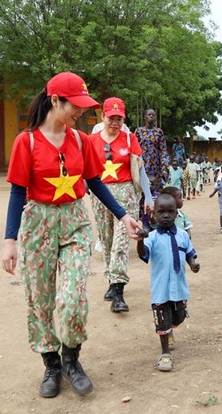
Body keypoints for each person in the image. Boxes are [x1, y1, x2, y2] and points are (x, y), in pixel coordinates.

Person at [1, 72, 141, 398]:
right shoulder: (28, 141)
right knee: (40, 300)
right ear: (55, 101)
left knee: (73, 297)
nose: (81, 111)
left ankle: (72, 360)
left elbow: (94, 181)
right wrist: (10, 240)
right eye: (74, 105)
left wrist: (123, 217)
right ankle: (51, 365)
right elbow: (17, 192)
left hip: (75, 219)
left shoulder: (80, 140)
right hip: (38, 224)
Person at [89, 97, 153, 314]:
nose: (115, 122)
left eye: (119, 118)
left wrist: (149, 197)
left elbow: (140, 169)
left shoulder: (129, 139)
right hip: (100, 195)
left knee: (121, 241)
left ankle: (118, 290)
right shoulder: (92, 140)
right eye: (111, 118)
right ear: (103, 116)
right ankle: (111, 279)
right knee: (106, 240)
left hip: (126, 195)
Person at [136, 194, 200, 372]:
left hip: (179, 287)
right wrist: (140, 239)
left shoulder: (182, 235)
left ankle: (170, 329)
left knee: (179, 316)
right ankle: (165, 353)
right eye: (161, 212)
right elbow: (143, 254)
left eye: (170, 212)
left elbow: (189, 253)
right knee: (162, 320)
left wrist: (193, 264)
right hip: (161, 289)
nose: (166, 215)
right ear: (153, 214)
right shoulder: (152, 237)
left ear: (176, 213)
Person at [134, 108, 169, 194]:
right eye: (149, 115)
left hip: (156, 168)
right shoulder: (138, 131)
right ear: (145, 117)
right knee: (141, 191)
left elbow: (163, 150)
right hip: (142, 166)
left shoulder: (159, 132)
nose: (151, 117)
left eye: (153, 115)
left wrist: (164, 168)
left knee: (156, 191)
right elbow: (134, 149)